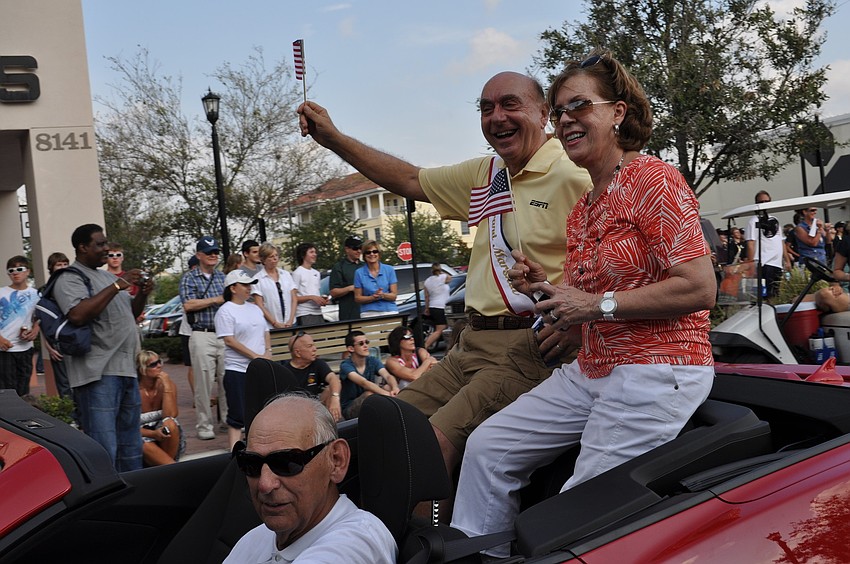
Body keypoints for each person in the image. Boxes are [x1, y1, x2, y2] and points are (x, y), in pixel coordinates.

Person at [450, 51, 715, 555]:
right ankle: (481, 555)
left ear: (617, 112)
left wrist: (596, 307)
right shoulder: (585, 207)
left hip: (656, 368)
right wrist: (544, 289)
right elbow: (579, 308)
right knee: (486, 448)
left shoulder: (654, 179)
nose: (566, 119)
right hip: (592, 367)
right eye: (559, 111)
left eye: (579, 106)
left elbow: (700, 288)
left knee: (578, 511)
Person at [299, 70, 590, 478]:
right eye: (486, 108)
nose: (497, 116)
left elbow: (612, 264)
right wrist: (334, 139)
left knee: (431, 445)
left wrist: (581, 324)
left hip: (527, 344)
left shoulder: (575, 175)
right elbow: (410, 179)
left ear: (543, 114)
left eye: (510, 104)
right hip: (468, 343)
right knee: (384, 426)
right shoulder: (487, 174)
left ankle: (433, 523)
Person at [224, 393, 397, 564]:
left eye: (286, 463)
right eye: (251, 463)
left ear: (336, 460)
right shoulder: (257, 538)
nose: (265, 484)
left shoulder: (357, 542)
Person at [54, 224, 152, 472]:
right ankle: (108, 495)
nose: (106, 248)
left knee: (131, 446)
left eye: (106, 243)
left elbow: (130, 313)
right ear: (82, 247)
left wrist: (142, 294)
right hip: (98, 373)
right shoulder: (70, 277)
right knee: (104, 448)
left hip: (126, 369)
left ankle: (135, 492)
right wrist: (118, 285)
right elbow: (77, 314)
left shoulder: (108, 278)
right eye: (100, 244)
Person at [179, 236, 227, 441]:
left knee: (227, 380)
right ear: (199, 255)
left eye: (215, 252)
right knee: (203, 384)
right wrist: (216, 300)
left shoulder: (222, 277)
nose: (213, 255)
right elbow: (188, 304)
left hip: (223, 334)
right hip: (201, 333)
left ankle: (228, 420)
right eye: (209, 252)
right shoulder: (189, 278)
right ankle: (204, 425)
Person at [215, 270, 270, 448]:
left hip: (260, 368)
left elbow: (265, 331)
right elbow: (229, 340)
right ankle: (234, 452)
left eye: (250, 284)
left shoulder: (255, 308)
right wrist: (256, 357)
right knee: (237, 415)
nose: (249, 288)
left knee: (262, 411)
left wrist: (268, 352)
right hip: (237, 369)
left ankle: (259, 448)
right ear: (233, 288)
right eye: (245, 285)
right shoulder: (225, 311)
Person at [0, 256, 40, 396]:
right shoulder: (1, 292)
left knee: (24, 391)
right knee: (7, 391)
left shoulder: (36, 294)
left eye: (19, 269)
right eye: (11, 270)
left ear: (27, 271)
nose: (15, 273)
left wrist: (35, 330)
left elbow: (39, 318)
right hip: (5, 349)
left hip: (25, 349)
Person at [136, 350, 184, 466]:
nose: (159, 366)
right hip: (143, 436)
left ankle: (167, 468)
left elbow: (171, 414)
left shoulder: (167, 385)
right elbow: (129, 427)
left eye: (159, 362)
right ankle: (172, 469)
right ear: (142, 370)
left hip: (165, 437)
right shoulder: (134, 392)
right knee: (144, 444)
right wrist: (153, 434)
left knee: (170, 423)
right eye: (153, 364)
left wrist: (167, 386)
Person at [283, 331, 343, 421]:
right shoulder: (285, 372)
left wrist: (335, 398)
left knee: (331, 389)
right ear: (298, 353)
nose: (315, 349)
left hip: (317, 407)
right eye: (310, 346)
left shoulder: (317, 363)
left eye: (314, 345)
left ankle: (333, 423)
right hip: (296, 413)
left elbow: (334, 379)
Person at [338, 330, 399, 419]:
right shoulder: (345, 365)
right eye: (361, 343)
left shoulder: (372, 360)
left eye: (366, 342)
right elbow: (364, 383)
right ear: (351, 348)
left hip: (371, 402)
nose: (366, 345)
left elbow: (387, 376)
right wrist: (387, 394)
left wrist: (395, 388)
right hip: (350, 409)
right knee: (369, 395)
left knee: (388, 387)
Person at [744, 190, 787, 297]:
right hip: (764, 262)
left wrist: (787, 260)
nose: (764, 204)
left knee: (776, 293)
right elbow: (750, 243)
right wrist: (751, 265)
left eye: (766, 202)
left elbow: (781, 240)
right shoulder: (753, 221)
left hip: (777, 263)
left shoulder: (774, 220)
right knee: (767, 294)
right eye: (761, 202)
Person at [44, 252, 72, 399]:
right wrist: (49, 347)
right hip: (57, 343)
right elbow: (42, 323)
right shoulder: (45, 292)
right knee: (64, 387)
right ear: (51, 268)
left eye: (65, 264)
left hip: (76, 340)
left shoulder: (75, 286)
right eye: (58, 265)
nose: (62, 267)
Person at [252, 243, 297, 329]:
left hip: (291, 322)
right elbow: (259, 304)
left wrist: (291, 320)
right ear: (263, 260)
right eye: (271, 257)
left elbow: (294, 299)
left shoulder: (286, 275)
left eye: (276, 255)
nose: (275, 258)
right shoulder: (257, 279)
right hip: (271, 326)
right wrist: (274, 323)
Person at [354, 241, 398, 318]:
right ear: (364, 255)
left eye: (375, 251)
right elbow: (357, 298)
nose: (372, 254)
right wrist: (373, 297)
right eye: (368, 252)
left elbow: (394, 296)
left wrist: (382, 295)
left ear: (379, 254)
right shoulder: (359, 273)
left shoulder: (389, 270)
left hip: (389, 310)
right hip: (368, 312)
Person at [384, 325, 437, 390]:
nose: (412, 339)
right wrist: (427, 361)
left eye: (412, 336)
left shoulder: (420, 351)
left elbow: (434, 369)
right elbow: (413, 376)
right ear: (397, 341)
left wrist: (416, 372)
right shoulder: (392, 361)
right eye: (407, 337)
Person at [177, 255, 199, 397]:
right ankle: (196, 396)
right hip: (188, 331)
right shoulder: (187, 282)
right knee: (192, 366)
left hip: (205, 332)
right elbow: (188, 305)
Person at [292, 242, 328, 326]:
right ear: (303, 255)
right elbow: (294, 298)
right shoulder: (297, 273)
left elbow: (316, 292)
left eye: (315, 252)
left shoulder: (316, 273)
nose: (315, 254)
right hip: (305, 313)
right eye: (311, 252)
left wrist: (322, 300)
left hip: (318, 312)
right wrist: (311, 297)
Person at [329, 235, 364, 321]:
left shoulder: (366, 265)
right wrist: (350, 288)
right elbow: (333, 292)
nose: (359, 251)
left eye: (360, 248)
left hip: (367, 311)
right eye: (355, 248)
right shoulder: (339, 267)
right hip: (349, 314)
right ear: (347, 249)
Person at [422, 263, 452, 350]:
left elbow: (426, 296)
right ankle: (425, 346)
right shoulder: (443, 277)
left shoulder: (427, 281)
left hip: (433, 306)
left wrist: (427, 308)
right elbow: (450, 278)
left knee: (443, 328)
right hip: (441, 306)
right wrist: (442, 272)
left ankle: (449, 346)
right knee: (440, 329)